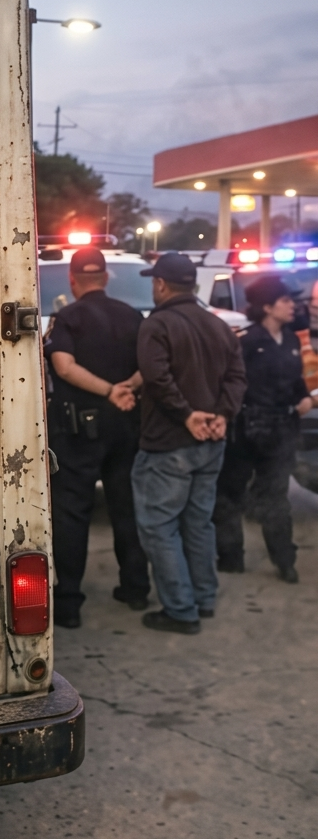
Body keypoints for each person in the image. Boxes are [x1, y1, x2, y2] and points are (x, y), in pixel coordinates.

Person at [131, 252, 246, 635]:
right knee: (198, 523)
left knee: (159, 528)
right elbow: (237, 376)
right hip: (212, 443)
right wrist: (221, 415)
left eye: (154, 281)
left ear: (161, 284)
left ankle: (180, 610)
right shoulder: (219, 325)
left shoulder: (157, 324)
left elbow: (157, 377)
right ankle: (204, 597)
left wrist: (186, 414)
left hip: (168, 444)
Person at [44, 247, 149, 628]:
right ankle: (136, 588)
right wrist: (125, 390)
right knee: (126, 506)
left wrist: (107, 390)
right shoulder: (133, 315)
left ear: (73, 280)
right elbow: (148, 367)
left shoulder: (67, 318)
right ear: (106, 278)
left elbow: (63, 366)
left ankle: (69, 605)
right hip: (126, 425)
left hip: (78, 430)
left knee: (72, 513)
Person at [213, 274, 313, 583]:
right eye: (285, 300)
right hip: (245, 430)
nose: (293, 306)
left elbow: (297, 381)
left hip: (282, 431)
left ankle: (285, 561)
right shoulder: (245, 342)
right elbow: (229, 385)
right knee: (230, 495)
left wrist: (305, 398)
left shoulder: (294, 340)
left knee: (275, 497)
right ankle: (231, 557)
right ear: (267, 307)